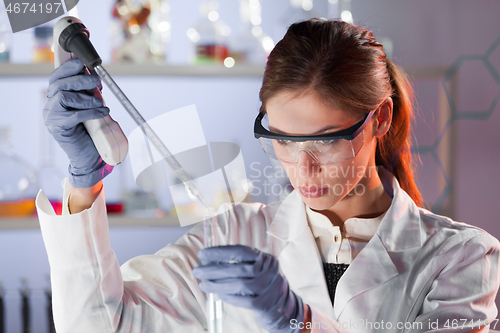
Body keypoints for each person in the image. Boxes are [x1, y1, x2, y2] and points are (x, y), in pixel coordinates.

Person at [36, 19, 500, 333]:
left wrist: (297, 320)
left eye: (325, 141)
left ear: (379, 119)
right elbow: (96, 325)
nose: (303, 168)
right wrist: (84, 181)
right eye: (283, 140)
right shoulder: (234, 233)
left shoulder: (460, 258)